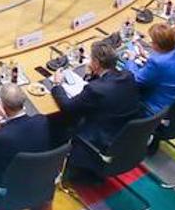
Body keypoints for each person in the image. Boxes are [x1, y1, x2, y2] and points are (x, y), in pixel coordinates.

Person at [50, 41, 140, 182]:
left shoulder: (95, 89)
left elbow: (68, 107)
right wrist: (92, 75)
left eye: (91, 59)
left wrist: (57, 85)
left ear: (96, 63)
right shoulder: (128, 76)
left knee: (58, 121)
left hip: (99, 140)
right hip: (122, 135)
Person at [0, 82, 52, 190]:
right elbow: (20, 123)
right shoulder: (41, 120)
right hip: (37, 174)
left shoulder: (2, 136)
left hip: (7, 182)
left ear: (3, 104)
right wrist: (6, 116)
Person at [121, 24, 175, 116]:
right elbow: (166, 63)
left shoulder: (157, 62)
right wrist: (147, 56)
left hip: (154, 109)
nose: (151, 44)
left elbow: (136, 80)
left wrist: (131, 59)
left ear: (158, 45)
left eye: (152, 42)